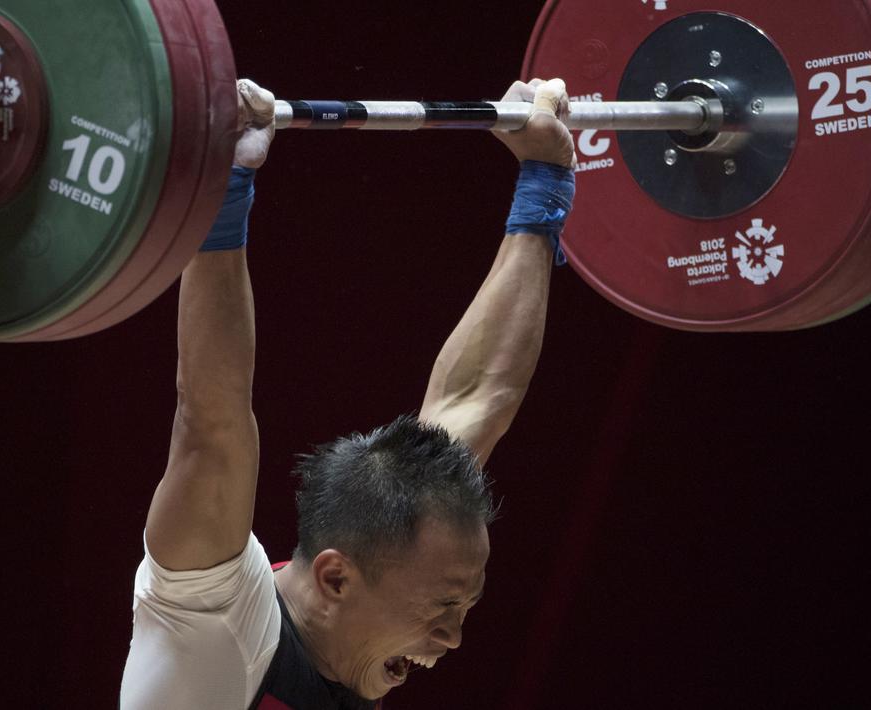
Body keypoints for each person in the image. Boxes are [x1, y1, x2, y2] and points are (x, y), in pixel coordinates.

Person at [120, 77, 578, 709]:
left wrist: (544, 184)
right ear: (335, 576)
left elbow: (479, 398)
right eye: (444, 606)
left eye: (461, 606)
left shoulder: (372, 603)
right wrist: (222, 190)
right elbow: (212, 426)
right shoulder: (216, 625)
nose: (453, 638)